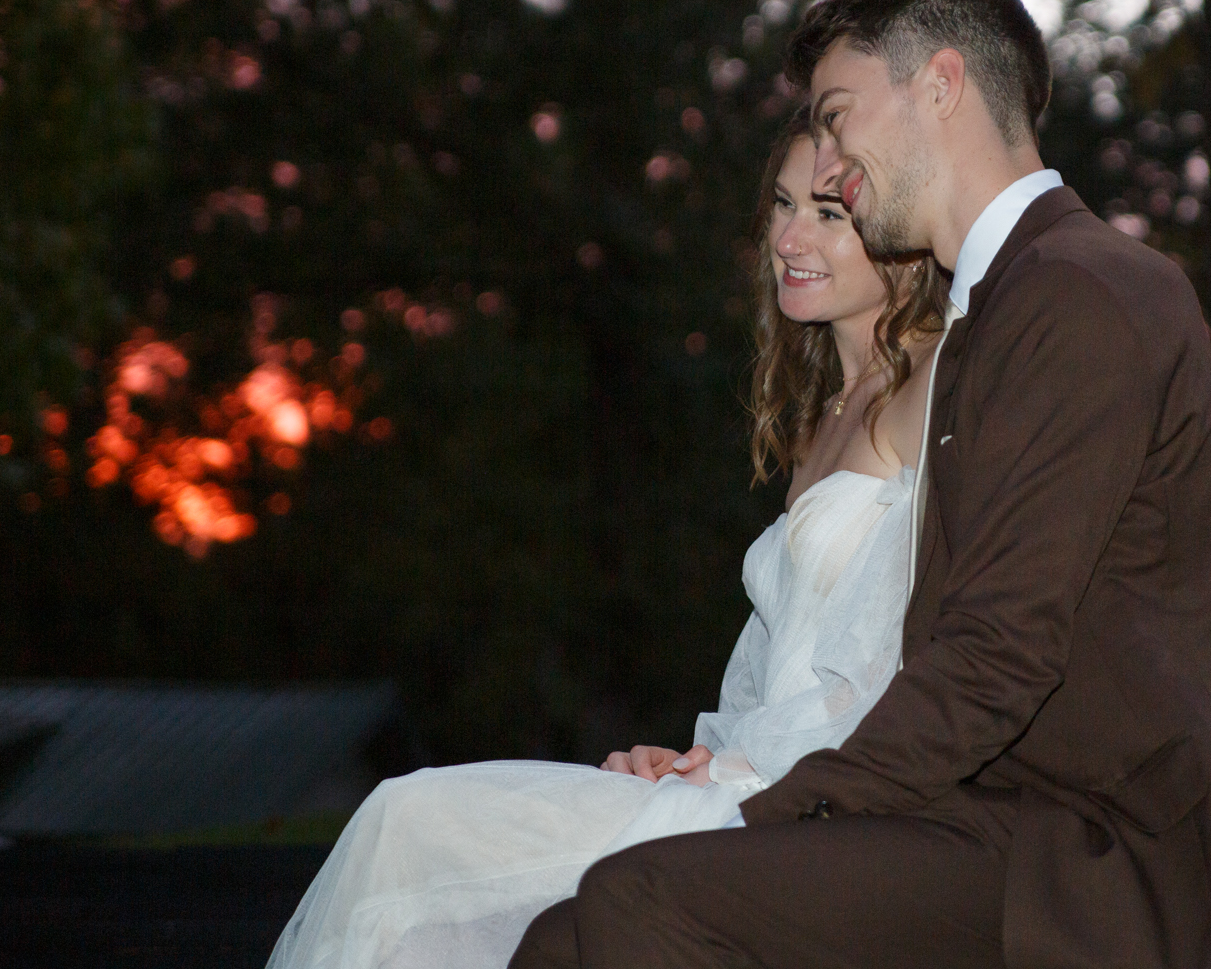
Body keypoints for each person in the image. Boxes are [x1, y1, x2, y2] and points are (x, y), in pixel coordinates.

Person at [512, 0, 1211, 969]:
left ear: (939, 85)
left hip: (1097, 856)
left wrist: (771, 807)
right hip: (980, 817)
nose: (829, 165)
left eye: (838, 120)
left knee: (640, 899)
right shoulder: (989, 318)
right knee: (559, 941)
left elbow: (998, 655)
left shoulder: (1082, 291)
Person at [265, 112, 947, 969]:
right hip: (737, 778)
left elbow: (894, 663)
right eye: (781, 204)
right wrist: (696, 755)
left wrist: (735, 772)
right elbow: (783, 666)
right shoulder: (822, 418)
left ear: (899, 233)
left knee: (412, 826)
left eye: (829, 213)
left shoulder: (930, 387)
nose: (788, 239)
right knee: (404, 834)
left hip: (795, 807)